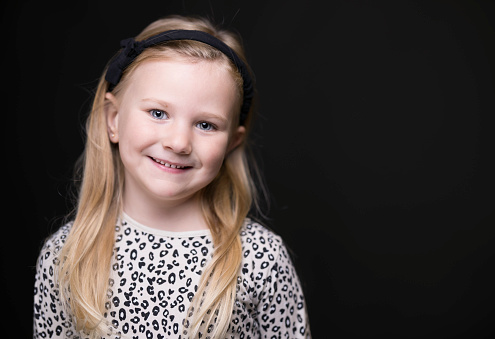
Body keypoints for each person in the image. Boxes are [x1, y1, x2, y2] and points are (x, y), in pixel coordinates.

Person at [33, 14, 311, 339]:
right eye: (158, 113)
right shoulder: (67, 256)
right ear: (113, 120)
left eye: (206, 125)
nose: (178, 143)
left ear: (232, 142)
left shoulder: (260, 258)